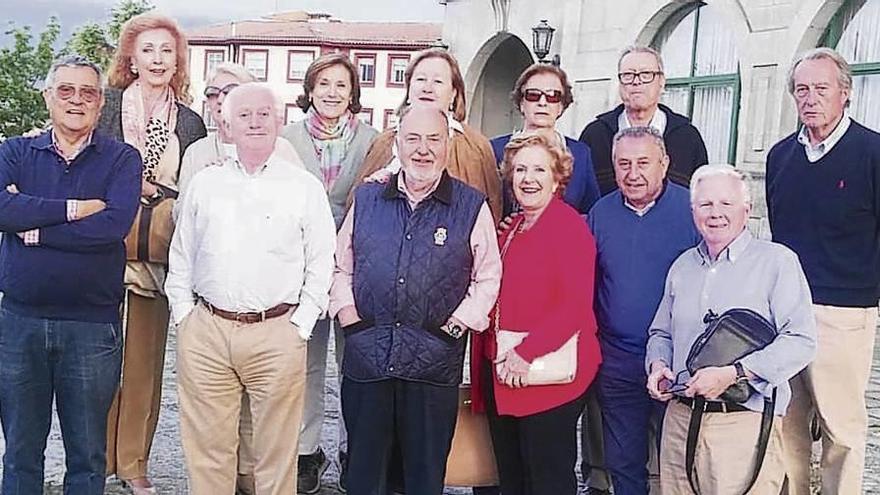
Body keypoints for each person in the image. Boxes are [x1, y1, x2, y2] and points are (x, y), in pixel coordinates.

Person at [165, 82, 336, 493]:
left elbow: (322, 261)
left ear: (279, 121)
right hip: (207, 329)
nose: (255, 122)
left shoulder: (303, 187)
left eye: (264, 114)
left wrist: (300, 327)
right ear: (225, 125)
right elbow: (182, 256)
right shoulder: (205, 185)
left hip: (276, 332)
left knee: (275, 457)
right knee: (208, 453)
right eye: (244, 115)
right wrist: (185, 318)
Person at [330, 105, 501, 495]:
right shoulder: (369, 197)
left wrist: (456, 326)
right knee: (364, 479)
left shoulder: (471, 206)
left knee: (422, 481)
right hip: (368, 362)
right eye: (413, 139)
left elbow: (489, 276)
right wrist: (349, 319)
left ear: (448, 144)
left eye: (433, 140)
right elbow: (341, 265)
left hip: (433, 367)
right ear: (398, 143)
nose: (422, 150)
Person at [0, 56, 142, 495]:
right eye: (66, 90)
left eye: (88, 92)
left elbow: (113, 226)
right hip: (19, 323)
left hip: (91, 327)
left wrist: (34, 227)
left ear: (101, 104)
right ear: (48, 97)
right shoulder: (14, 152)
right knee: (20, 453)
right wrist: (74, 210)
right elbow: (2, 210)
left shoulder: (122, 159)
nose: (77, 100)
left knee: (86, 456)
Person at [646, 164, 816, 494]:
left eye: (726, 204)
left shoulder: (777, 263)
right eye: (706, 205)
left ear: (746, 210)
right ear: (693, 210)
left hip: (742, 422)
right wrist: (657, 366)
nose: (715, 214)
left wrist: (736, 373)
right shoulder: (682, 266)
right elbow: (660, 333)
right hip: (679, 419)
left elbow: (801, 340)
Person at [97, 13, 207, 494]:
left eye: (167, 51)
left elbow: (198, 189)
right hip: (101, 251)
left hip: (159, 257)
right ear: (131, 59)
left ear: (177, 59)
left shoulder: (191, 119)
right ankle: (93, 462)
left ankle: (134, 464)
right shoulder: (107, 106)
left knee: (144, 366)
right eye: (149, 51)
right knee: (96, 363)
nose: (158, 59)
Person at [766, 47, 880, 495]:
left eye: (821, 89)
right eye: (801, 90)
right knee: (786, 424)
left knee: (842, 429)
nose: (810, 98)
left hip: (845, 314)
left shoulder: (872, 153)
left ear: (845, 94)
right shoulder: (780, 157)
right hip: (787, 312)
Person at [469, 131, 601, 495]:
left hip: (547, 376)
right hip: (504, 372)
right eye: (520, 169)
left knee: (547, 480)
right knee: (512, 479)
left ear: (557, 177)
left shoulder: (568, 226)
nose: (528, 179)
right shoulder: (512, 226)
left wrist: (525, 354)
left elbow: (574, 306)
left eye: (539, 170)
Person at [281, 53, 378, 494]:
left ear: (353, 92)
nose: (332, 93)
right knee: (306, 364)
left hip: (356, 269)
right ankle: (306, 452)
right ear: (310, 90)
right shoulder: (287, 140)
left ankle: (352, 448)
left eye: (341, 85)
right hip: (301, 269)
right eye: (324, 84)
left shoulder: (373, 141)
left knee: (354, 363)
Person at [587, 126, 699, 495]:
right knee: (623, 461)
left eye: (643, 163)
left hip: (676, 358)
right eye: (623, 164)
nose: (633, 173)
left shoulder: (692, 211)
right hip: (617, 359)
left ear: (664, 164)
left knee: (681, 460)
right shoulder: (600, 214)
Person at [351, 48, 502, 221]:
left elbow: (494, 209)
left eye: (438, 81)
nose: (427, 88)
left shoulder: (477, 147)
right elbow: (357, 207)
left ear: (453, 93)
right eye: (421, 79)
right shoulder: (383, 142)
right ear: (408, 89)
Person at [579, 45, 707, 196]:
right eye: (628, 75)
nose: (636, 82)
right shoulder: (595, 135)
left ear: (661, 81)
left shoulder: (687, 137)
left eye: (646, 74)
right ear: (620, 82)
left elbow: (702, 196)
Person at [490, 64, 600, 215]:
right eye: (533, 95)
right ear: (522, 103)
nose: (543, 102)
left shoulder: (580, 153)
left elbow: (591, 211)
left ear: (561, 106)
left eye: (552, 96)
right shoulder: (494, 150)